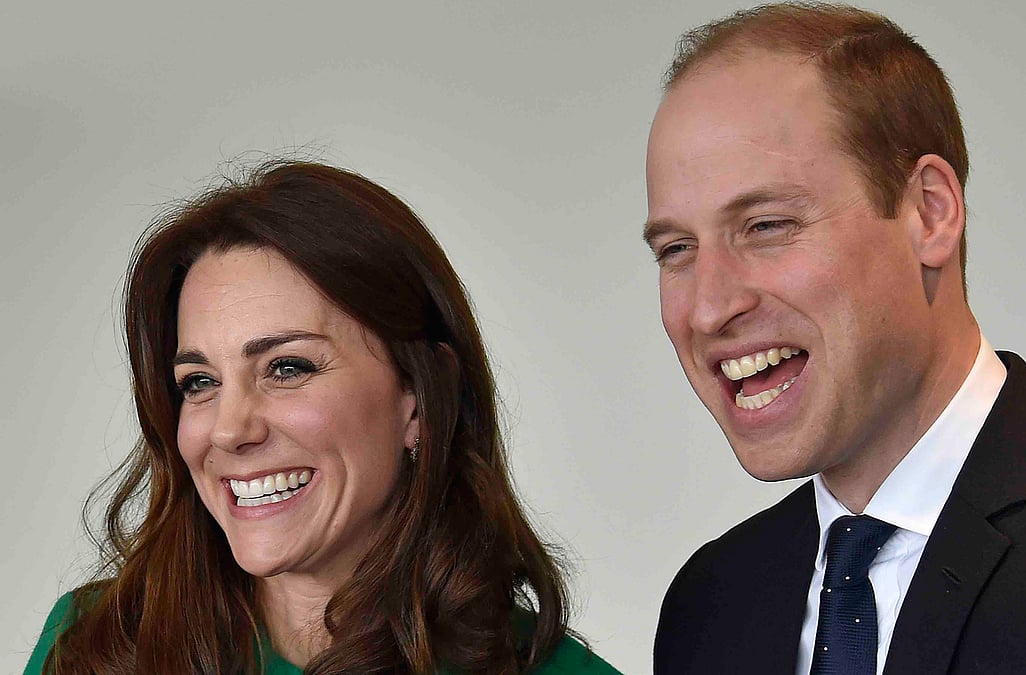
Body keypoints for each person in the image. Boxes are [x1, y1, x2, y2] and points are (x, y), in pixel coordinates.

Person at [644, 4, 1026, 674]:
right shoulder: (709, 608)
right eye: (676, 248)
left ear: (929, 213)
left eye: (765, 225)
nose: (708, 307)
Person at [25, 162, 621, 675]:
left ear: (418, 397)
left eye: (286, 368)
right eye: (200, 382)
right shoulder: (93, 647)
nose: (230, 430)